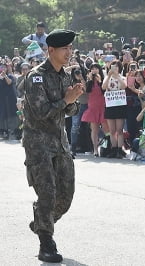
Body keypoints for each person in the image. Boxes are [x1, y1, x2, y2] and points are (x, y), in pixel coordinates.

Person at [23, 29, 82, 263]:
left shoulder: (65, 76)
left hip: (60, 142)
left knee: (66, 196)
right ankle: (46, 243)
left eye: (70, 48)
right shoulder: (35, 77)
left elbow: (70, 111)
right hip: (38, 144)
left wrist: (73, 100)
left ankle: (41, 223)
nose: (69, 52)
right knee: (47, 194)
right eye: (65, 49)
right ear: (51, 50)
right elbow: (40, 113)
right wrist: (65, 101)